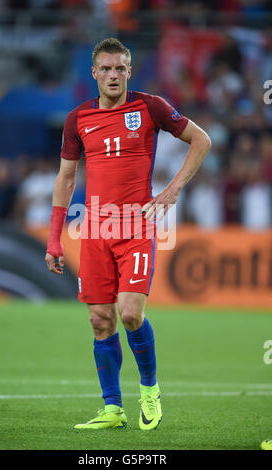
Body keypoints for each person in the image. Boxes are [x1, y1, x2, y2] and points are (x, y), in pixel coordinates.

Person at [45, 38, 211, 431]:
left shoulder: (149, 106)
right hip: (96, 230)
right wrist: (54, 239)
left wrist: (173, 189)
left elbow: (201, 140)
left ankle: (150, 389)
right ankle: (112, 408)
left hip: (136, 226)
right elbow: (66, 178)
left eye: (120, 68)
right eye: (106, 68)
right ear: (94, 73)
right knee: (101, 320)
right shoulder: (77, 120)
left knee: (131, 313)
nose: (113, 75)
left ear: (129, 71)